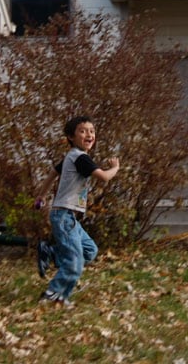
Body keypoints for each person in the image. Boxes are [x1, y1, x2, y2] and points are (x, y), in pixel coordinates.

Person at [35, 115, 120, 308]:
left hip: (68, 217)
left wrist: (41, 196)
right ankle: (52, 294)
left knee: (90, 251)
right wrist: (115, 168)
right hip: (64, 216)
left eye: (92, 131)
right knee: (75, 262)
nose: (89, 134)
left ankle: (51, 252)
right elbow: (104, 177)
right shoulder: (80, 158)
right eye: (83, 131)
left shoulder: (70, 156)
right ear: (71, 137)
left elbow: (52, 173)